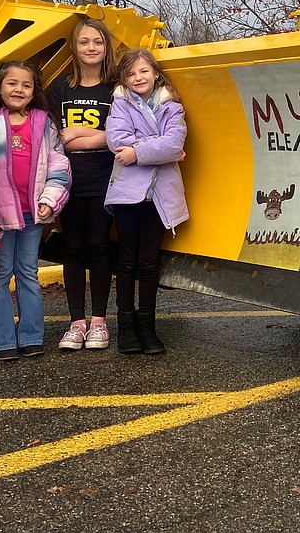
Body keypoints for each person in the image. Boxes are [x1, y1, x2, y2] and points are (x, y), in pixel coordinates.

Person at [0, 61, 71, 361]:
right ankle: (1, 340)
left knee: (28, 273)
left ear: (35, 91)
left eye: (26, 85)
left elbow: (59, 163)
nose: (18, 89)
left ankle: (32, 336)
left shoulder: (43, 122)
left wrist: (51, 198)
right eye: (12, 83)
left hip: (34, 212)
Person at [105, 49, 188, 355]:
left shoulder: (173, 107)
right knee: (127, 261)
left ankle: (148, 326)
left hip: (160, 196)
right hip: (128, 193)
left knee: (150, 263)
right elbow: (117, 140)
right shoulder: (120, 105)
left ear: (155, 73)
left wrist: (137, 152)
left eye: (143, 71)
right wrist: (160, 150)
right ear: (124, 79)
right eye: (131, 74)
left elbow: (175, 143)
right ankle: (125, 326)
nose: (138, 78)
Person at [46, 18, 118, 352]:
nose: (91, 48)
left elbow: (121, 136)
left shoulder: (117, 88)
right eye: (84, 42)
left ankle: (100, 322)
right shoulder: (60, 89)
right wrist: (95, 137)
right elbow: (54, 139)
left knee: (100, 246)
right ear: (74, 47)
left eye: (98, 42)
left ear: (107, 48)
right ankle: (76, 322)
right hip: (66, 181)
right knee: (73, 247)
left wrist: (75, 135)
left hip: (106, 178)